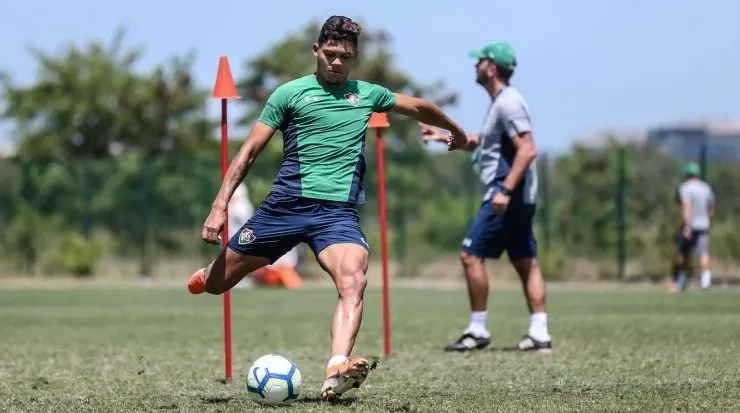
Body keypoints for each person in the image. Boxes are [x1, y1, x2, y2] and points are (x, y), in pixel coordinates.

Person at [187, 15, 468, 400]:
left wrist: (459, 131)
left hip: (337, 215)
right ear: (316, 51)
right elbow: (249, 152)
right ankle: (210, 271)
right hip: (284, 208)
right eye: (331, 54)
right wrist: (219, 206)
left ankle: (337, 367)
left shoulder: (367, 94)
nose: (337, 63)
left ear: (354, 58)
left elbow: (418, 105)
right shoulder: (289, 94)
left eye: (345, 57)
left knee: (354, 279)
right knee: (218, 285)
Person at [421, 42, 551, 353]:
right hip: (518, 196)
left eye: (478, 61)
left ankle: (478, 329)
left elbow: (528, 149)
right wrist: (446, 137)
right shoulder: (500, 103)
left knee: (470, 254)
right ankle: (539, 333)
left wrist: (505, 189)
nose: (474, 66)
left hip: (505, 194)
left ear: (491, 67)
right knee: (525, 261)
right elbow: (487, 143)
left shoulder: (509, 103)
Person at [671, 162, 715, 291]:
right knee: (703, 252)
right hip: (703, 225)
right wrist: (707, 220)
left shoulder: (685, 188)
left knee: (682, 253)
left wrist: (687, 225)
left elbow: (686, 206)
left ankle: (681, 279)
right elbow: (711, 209)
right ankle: (705, 280)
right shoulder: (706, 188)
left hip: (690, 225)